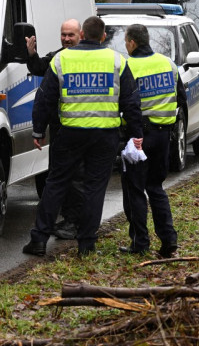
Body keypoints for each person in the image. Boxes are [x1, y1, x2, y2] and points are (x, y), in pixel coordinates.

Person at [22, 16, 144, 257]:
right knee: (94, 189)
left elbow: (45, 98)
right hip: (105, 136)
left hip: (70, 133)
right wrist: (136, 134)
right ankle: (86, 244)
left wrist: (39, 130)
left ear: (82, 35)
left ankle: (38, 240)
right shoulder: (117, 61)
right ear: (103, 37)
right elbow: (131, 101)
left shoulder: (62, 59)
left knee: (55, 184)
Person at [120, 24, 186, 258]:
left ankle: (140, 243)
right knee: (156, 188)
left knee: (135, 190)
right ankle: (169, 241)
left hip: (139, 137)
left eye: (126, 42)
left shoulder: (129, 66)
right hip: (163, 135)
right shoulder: (168, 64)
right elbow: (180, 97)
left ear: (132, 43)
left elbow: (127, 104)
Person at [25, 19, 84, 240]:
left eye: (71, 35)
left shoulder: (91, 57)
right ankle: (72, 222)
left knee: (76, 179)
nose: (66, 39)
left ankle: (75, 224)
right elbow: (41, 74)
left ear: (81, 35)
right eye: (63, 35)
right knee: (63, 178)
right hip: (62, 129)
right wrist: (31, 55)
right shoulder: (58, 58)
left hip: (85, 129)